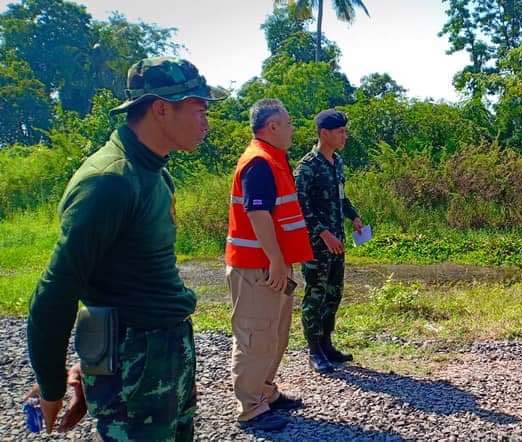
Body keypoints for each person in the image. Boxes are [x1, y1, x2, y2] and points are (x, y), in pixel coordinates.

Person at [25, 56, 223, 440]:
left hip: (161, 353)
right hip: (137, 363)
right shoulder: (110, 181)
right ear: (162, 109)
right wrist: (50, 386)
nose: (206, 123)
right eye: (199, 110)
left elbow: (125, 275)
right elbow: (55, 291)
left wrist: (97, 360)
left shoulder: (153, 170)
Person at [225, 99, 314, 431]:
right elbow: (257, 212)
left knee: (274, 334)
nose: (292, 129)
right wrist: (275, 259)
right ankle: (250, 407)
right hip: (257, 267)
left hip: (274, 266)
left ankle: (265, 391)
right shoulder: (259, 162)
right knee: (254, 336)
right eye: (288, 123)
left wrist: (281, 262)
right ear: (272, 127)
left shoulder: (274, 159)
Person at [295, 109, 365, 373]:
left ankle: (327, 344)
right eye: (340, 131)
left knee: (334, 294)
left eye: (345, 131)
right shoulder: (307, 167)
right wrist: (323, 232)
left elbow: (340, 197)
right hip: (316, 244)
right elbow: (301, 206)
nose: (345, 135)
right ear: (324, 134)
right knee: (315, 295)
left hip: (338, 242)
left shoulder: (337, 162)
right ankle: (314, 351)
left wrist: (354, 216)